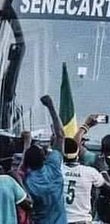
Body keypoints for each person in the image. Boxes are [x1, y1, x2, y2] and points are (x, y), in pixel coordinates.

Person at [23, 94, 66, 224]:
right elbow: (60, 136)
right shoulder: (53, 167)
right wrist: (51, 106)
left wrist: (26, 143)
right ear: (45, 157)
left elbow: (21, 168)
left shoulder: (28, 181)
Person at [62, 136, 108, 224]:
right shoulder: (89, 172)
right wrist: (103, 170)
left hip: (61, 220)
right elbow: (109, 187)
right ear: (77, 154)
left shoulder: (57, 171)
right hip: (83, 220)